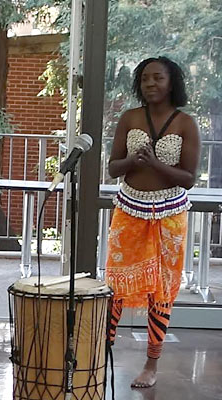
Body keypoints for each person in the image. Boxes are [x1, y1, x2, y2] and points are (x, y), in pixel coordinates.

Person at [106, 56, 200, 388]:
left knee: (160, 291)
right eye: (145, 79)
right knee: (116, 286)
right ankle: (101, 354)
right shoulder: (129, 117)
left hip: (170, 215)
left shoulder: (186, 123)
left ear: (171, 81)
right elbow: (113, 168)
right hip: (129, 209)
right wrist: (133, 160)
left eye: (157, 78)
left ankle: (151, 364)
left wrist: (157, 164)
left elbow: (188, 178)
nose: (150, 84)